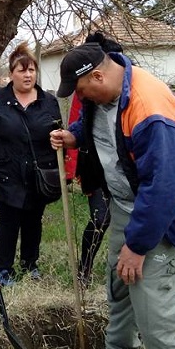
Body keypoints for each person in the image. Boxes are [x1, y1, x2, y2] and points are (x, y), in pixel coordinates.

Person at [50, 42, 175, 349]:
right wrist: (73, 135)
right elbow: (95, 124)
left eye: (81, 91)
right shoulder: (106, 93)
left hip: (166, 208)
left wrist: (138, 246)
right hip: (128, 203)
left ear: (97, 75)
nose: (81, 98)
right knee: (119, 278)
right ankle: (121, 347)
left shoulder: (149, 107)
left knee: (150, 289)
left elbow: (165, 186)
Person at [0, 42, 61, 286]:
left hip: (37, 173)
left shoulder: (48, 102)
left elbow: (59, 134)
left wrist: (59, 146)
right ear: (12, 74)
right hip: (6, 171)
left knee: (33, 220)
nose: (28, 75)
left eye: (31, 70)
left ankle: (30, 265)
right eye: (22, 70)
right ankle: (3, 269)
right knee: (9, 220)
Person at [65, 32, 124, 288]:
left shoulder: (130, 97)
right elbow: (79, 124)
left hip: (122, 173)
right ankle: (84, 269)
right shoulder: (88, 93)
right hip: (95, 168)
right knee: (100, 219)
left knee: (123, 221)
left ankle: (122, 268)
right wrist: (71, 143)